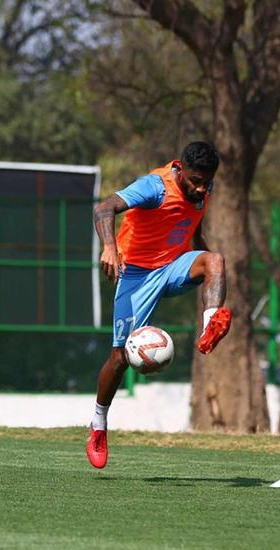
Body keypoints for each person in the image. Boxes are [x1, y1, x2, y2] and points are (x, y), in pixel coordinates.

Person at [86, 141, 232, 469]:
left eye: (206, 181)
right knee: (119, 358)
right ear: (181, 168)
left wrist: (206, 263)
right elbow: (104, 208)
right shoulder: (154, 187)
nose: (200, 187)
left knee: (217, 260)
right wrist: (110, 247)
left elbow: (192, 230)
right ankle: (98, 424)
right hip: (136, 274)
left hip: (173, 267)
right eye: (195, 180)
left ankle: (211, 323)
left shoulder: (203, 190)